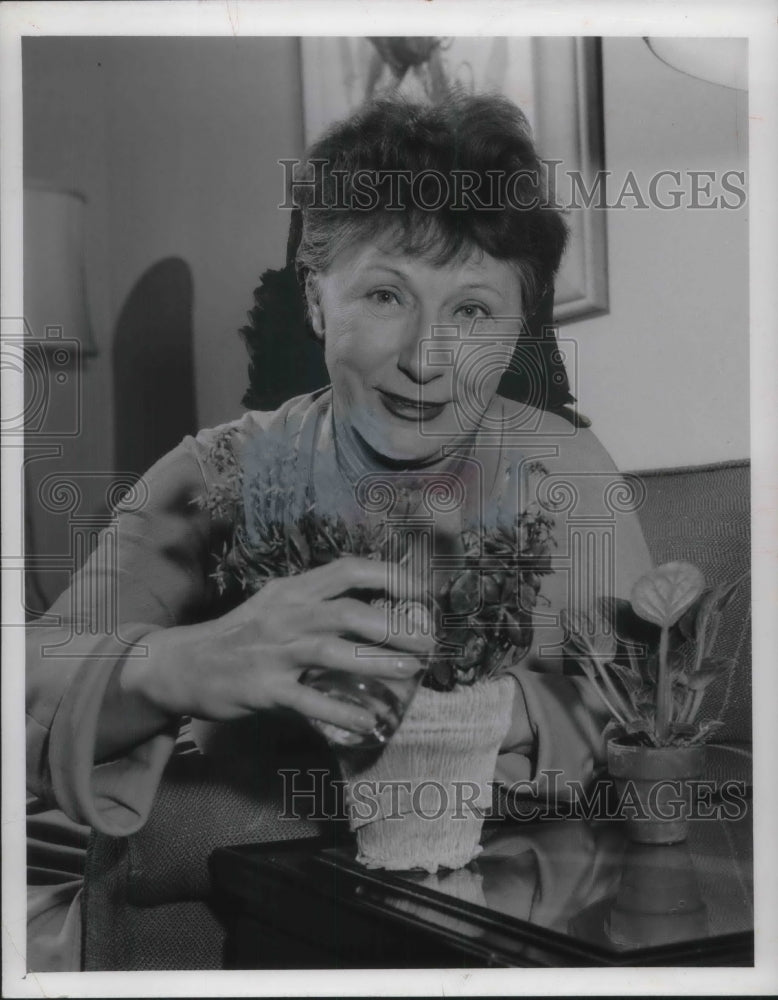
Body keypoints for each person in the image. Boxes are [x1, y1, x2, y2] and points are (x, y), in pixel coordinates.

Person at [26, 91, 652, 969]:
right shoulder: (217, 470)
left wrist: (478, 714)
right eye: (385, 294)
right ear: (317, 301)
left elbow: (647, 726)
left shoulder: (566, 469)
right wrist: (183, 664)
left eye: (473, 310)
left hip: (511, 920)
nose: (427, 358)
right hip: (282, 915)